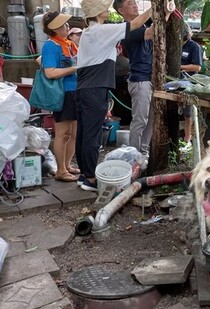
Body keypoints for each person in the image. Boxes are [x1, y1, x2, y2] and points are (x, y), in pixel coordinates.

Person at [74, 0, 152, 191]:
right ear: (96, 12)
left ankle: (85, 173)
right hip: (95, 87)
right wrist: (156, 7)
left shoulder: (89, 32)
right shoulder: (101, 30)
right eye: (103, 7)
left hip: (84, 87)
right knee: (92, 136)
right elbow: (134, 24)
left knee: (84, 133)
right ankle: (91, 179)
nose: (106, 9)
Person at [114, 0, 173, 157]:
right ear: (121, 10)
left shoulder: (142, 26)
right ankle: (134, 155)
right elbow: (153, 32)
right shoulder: (126, 30)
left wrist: (167, 12)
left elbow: (156, 30)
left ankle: (143, 153)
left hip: (150, 79)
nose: (134, 5)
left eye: (135, 2)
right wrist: (157, 8)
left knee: (151, 118)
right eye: (130, 3)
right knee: (140, 120)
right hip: (140, 80)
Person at [39, 12, 82, 181]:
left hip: (74, 91)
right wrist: (74, 69)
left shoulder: (68, 44)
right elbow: (49, 72)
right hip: (63, 93)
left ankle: (67, 164)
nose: (67, 26)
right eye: (63, 25)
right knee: (63, 133)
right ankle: (61, 170)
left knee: (73, 132)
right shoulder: (51, 46)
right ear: (54, 28)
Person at [179, 23, 203, 141]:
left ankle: (187, 138)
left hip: (189, 81)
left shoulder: (194, 47)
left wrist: (180, 67)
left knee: (187, 112)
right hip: (174, 81)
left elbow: (197, 67)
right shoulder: (175, 46)